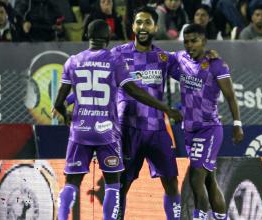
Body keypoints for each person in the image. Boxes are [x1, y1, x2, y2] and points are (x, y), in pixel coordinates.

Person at [53, 19, 182, 220]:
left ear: (86, 36)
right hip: (110, 131)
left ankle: (61, 218)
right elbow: (134, 91)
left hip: (81, 130)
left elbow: (61, 100)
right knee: (114, 184)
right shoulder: (115, 59)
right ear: (109, 37)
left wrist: (66, 114)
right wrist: (166, 108)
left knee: (72, 182)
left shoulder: (73, 60)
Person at [111, 6, 183, 220]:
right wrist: (70, 99)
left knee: (171, 181)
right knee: (122, 184)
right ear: (133, 26)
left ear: (155, 27)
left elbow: (189, 80)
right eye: (139, 22)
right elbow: (96, 77)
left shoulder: (163, 57)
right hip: (127, 129)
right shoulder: (118, 53)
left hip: (156, 130)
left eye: (147, 22)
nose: (142, 27)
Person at [174, 24, 244, 219]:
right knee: (209, 180)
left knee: (196, 177)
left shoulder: (216, 64)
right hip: (189, 129)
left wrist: (237, 124)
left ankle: (199, 217)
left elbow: (230, 96)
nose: (190, 45)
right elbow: (160, 58)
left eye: (194, 41)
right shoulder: (180, 59)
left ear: (204, 41)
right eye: (186, 41)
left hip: (209, 129)